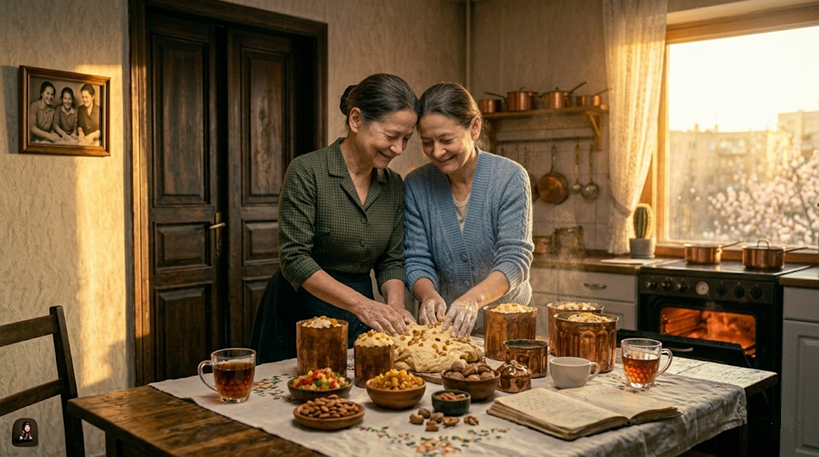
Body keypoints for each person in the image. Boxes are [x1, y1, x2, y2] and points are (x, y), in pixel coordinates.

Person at [250, 73, 418, 364]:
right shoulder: (307, 171)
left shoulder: (393, 185)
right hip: (299, 314)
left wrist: (394, 307)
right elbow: (294, 258)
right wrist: (362, 305)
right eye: (391, 136)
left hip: (359, 317)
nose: (398, 149)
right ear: (356, 120)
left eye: (406, 139)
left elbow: (391, 260)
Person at [403, 82, 534, 339]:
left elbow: (514, 260)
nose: (437, 152)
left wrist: (472, 300)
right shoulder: (416, 185)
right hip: (446, 329)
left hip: (508, 326)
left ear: (474, 127)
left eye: (446, 140)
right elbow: (416, 259)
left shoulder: (510, 177)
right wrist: (428, 296)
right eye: (427, 142)